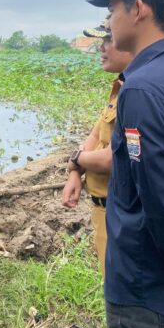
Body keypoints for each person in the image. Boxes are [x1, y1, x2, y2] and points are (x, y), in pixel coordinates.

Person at [87, 0, 164, 328]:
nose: (109, 22)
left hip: (144, 289)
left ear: (138, 9)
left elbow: (159, 199)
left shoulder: (141, 88)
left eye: (112, 9)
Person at [62, 18, 132, 275]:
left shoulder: (137, 92)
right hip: (103, 208)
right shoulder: (120, 85)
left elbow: (117, 157)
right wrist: (74, 172)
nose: (101, 47)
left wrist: (77, 159)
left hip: (120, 212)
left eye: (108, 39)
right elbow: (96, 133)